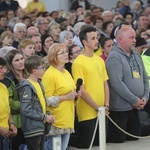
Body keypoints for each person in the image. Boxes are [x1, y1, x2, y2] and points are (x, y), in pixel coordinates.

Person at [106, 27, 149, 143]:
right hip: (121, 108)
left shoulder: (136, 54)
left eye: (134, 37)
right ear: (121, 39)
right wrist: (134, 99)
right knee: (118, 140)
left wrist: (145, 97)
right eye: (131, 38)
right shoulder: (114, 57)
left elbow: (144, 77)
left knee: (134, 137)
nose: (135, 40)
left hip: (135, 106)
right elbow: (117, 83)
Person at [71, 25, 109, 148]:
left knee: (102, 143)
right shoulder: (79, 62)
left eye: (97, 37)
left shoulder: (99, 60)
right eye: (93, 38)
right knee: (87, 144)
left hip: (102, 110)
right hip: (88, 111)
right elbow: (82, 90)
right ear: (84, 42)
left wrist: (106, 105)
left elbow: (105, 83)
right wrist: (97, 107)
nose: (97, 40)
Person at [42, 43, 80, 150]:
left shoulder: (66, 72)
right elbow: (46, 100)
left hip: (67, 118)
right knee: (55, 148)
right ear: (54, 56)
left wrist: (76, 94)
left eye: (66, 52)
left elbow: (69, 91)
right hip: (56, 120)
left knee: (62, 148)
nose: (66, 54)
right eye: (62, 53)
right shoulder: (50, 74)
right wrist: (66, 97)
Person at [18, 55, 55, 150]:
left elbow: (41, 105)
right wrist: (44, 117)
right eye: (42, 68)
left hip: (41, 127)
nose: (44, 70)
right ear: (34, 71)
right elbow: (26, 109)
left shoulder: (39, 83)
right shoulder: (27, 86)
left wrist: (48, 115)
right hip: (33, 129)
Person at [2, 50, 28, 150]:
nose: (21, 62)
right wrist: (26, 105)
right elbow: (9, 103)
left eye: (22, 59)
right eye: (17, 60)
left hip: (30, 122)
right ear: (10, 64)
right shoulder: (7, 79)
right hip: (16, 123)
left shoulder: (29, 75)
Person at [0, 57, 17, 150]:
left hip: (5, 134)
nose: (4, 71)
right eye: (1, 68)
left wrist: (11, 123)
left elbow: (7, 109)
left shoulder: (3, 87)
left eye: (5, 68)